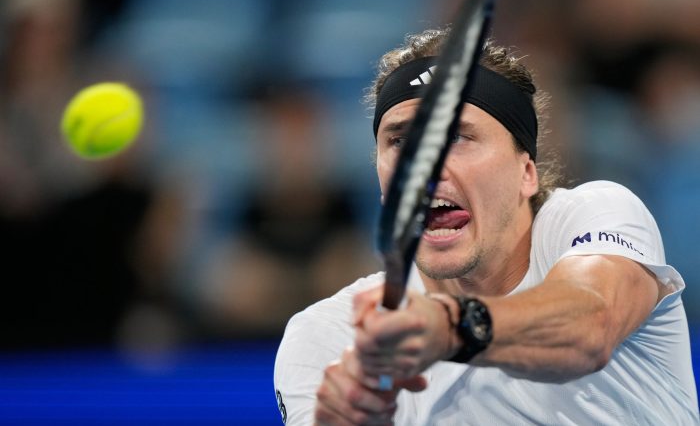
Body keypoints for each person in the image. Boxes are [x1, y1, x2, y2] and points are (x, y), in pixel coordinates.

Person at [273, 27, 699, 425]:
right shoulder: (327, 338)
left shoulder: (593, 215)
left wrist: (449, 329)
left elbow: (591, 323)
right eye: (401, 141)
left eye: (456, 137)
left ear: (526, 172)